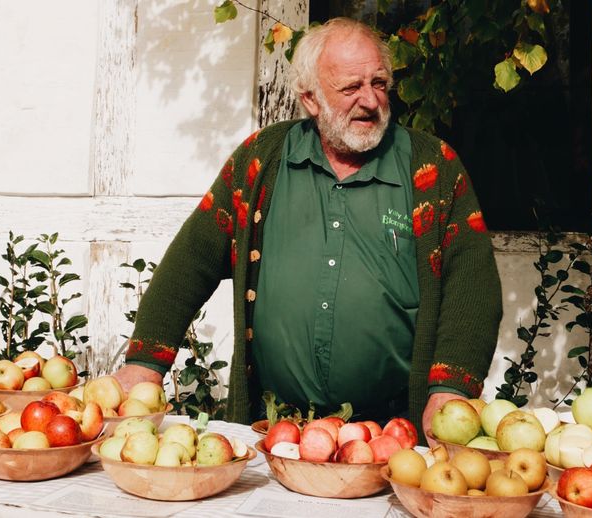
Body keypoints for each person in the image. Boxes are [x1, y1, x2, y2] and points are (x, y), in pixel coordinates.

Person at [114, 17, 502, 445]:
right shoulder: (262, 160)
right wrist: (145, 363)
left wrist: (449, 390)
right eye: (351, 88)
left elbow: (473, 286)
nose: (371, 101)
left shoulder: (432, 167)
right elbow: (191, 261)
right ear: (310, 99)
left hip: (393, 434)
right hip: (274, 427)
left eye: (379, 83)